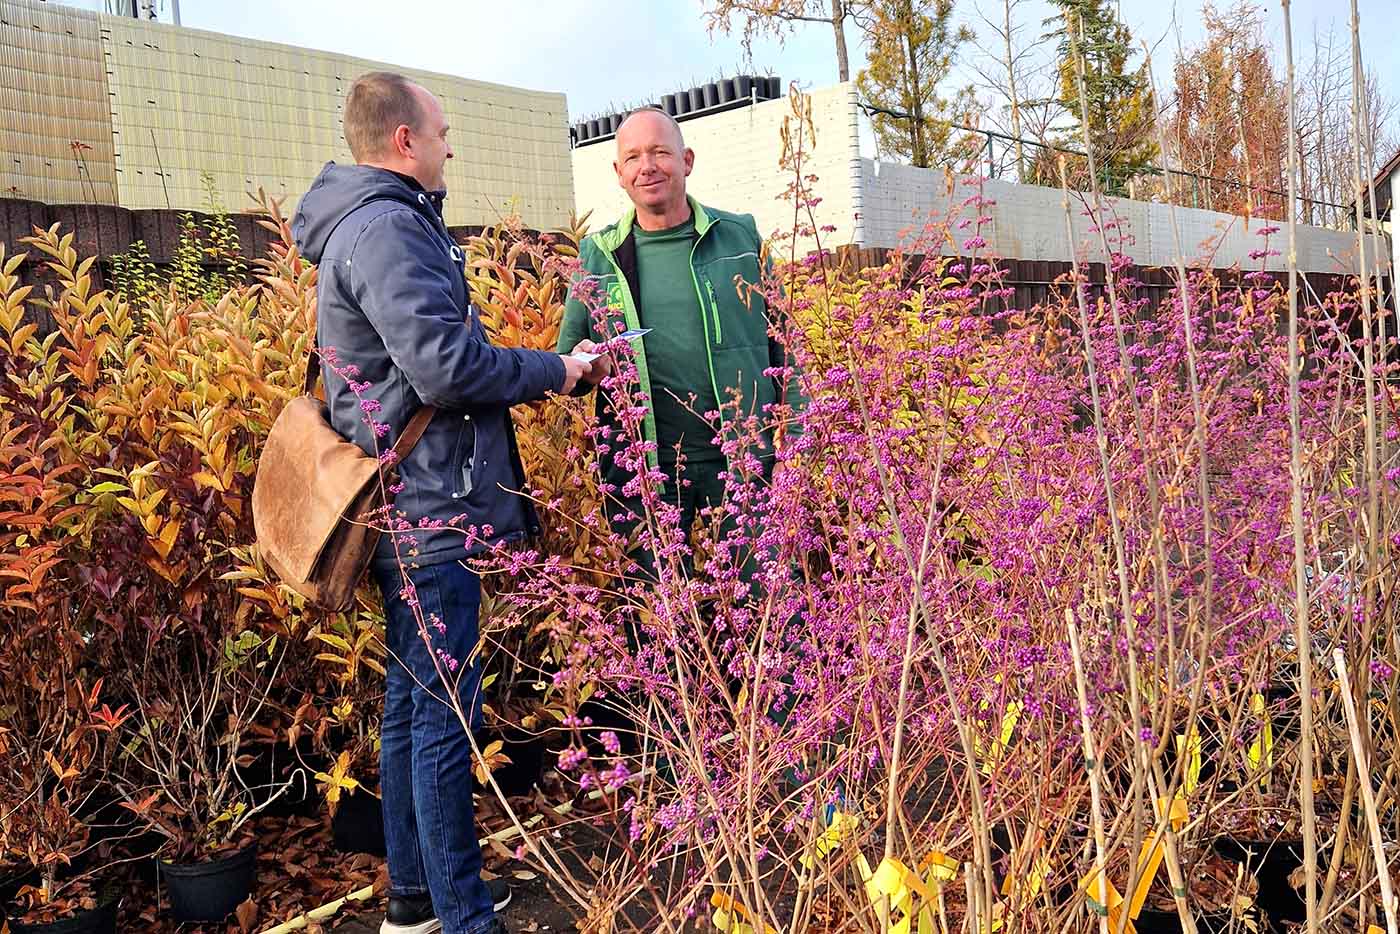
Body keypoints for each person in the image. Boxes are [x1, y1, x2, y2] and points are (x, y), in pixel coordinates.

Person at [293, 71, 602, 934]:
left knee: (409, 711)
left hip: (411, 498)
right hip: (432, 508)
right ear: (403, 140)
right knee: (440, 722)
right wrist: (556, 369)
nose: (449, 144)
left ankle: (415, 899)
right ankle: (461, 919)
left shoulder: (366, 224)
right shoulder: (389, 227)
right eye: (441, 130)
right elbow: (445, 369)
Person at [557, 107, 805, 579]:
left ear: (686, 160)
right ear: (618, 174)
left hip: (743, 459)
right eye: (632, 157)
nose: (647, 166)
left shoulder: (739, 237)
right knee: (659, 620)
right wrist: (586, 362)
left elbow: (787, 350)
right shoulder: (599, 254)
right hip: (644, 470)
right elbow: (565, 358)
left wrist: (794, 449)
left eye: (659, 152)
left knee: (772, 609)